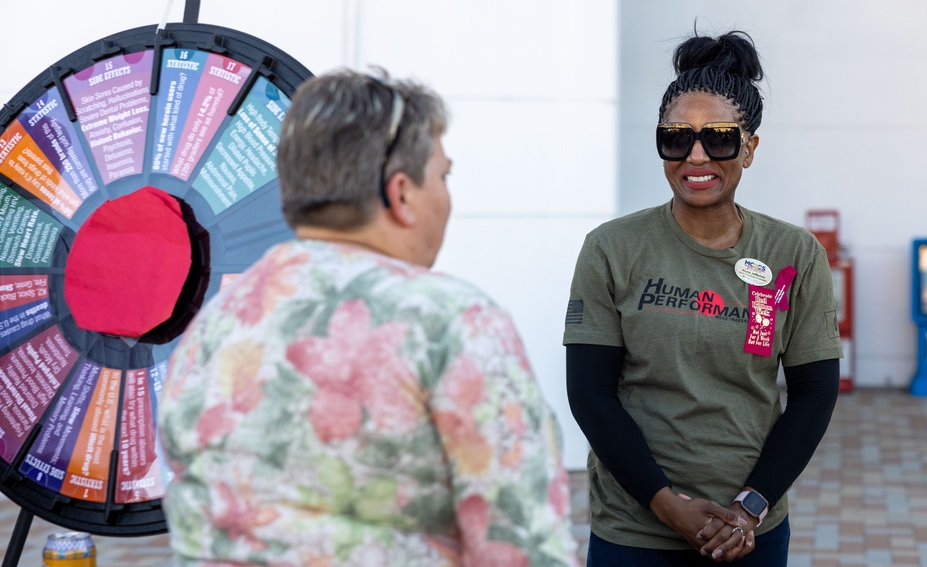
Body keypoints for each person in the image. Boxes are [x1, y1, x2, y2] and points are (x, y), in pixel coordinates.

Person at [159, 68, 580, 566]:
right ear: (400, 194)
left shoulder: (214, 326)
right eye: (443, 175)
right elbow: (524, 549)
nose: (446, 194)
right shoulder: (454, 323)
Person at [563, 31, 842, 566]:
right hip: (634, 531)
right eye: (676, 138)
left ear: (750, 147)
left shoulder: (793, 254)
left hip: (750, 532)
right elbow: (591, 392)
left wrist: (748, 508)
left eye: (718, 138)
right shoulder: (612, 248)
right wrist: (667, 506)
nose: (696, 156)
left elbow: (813, 393)